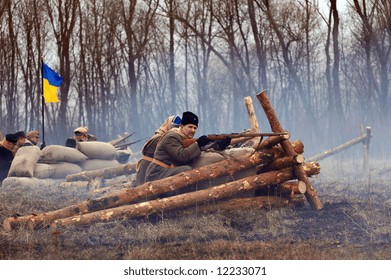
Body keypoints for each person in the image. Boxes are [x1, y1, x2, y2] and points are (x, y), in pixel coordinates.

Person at [145, 111, 230, 185]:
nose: (193, 130)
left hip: (168, 170)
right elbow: (182, 156)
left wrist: (218, 145)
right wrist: (199, 143)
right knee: (187, 170)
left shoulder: (184, 138)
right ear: (181, 126)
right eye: (190, 127)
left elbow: (202, 149)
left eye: (195, 128)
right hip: (157, 173)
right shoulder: (171, 136)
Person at [135, 115, 181, 186]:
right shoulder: (159, 138)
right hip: (147, 168)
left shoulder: (165, 137)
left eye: (178, 127)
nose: (176, 129)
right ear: (169, 126)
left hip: (153, 167)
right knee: (141, 190)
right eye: (174, 127)